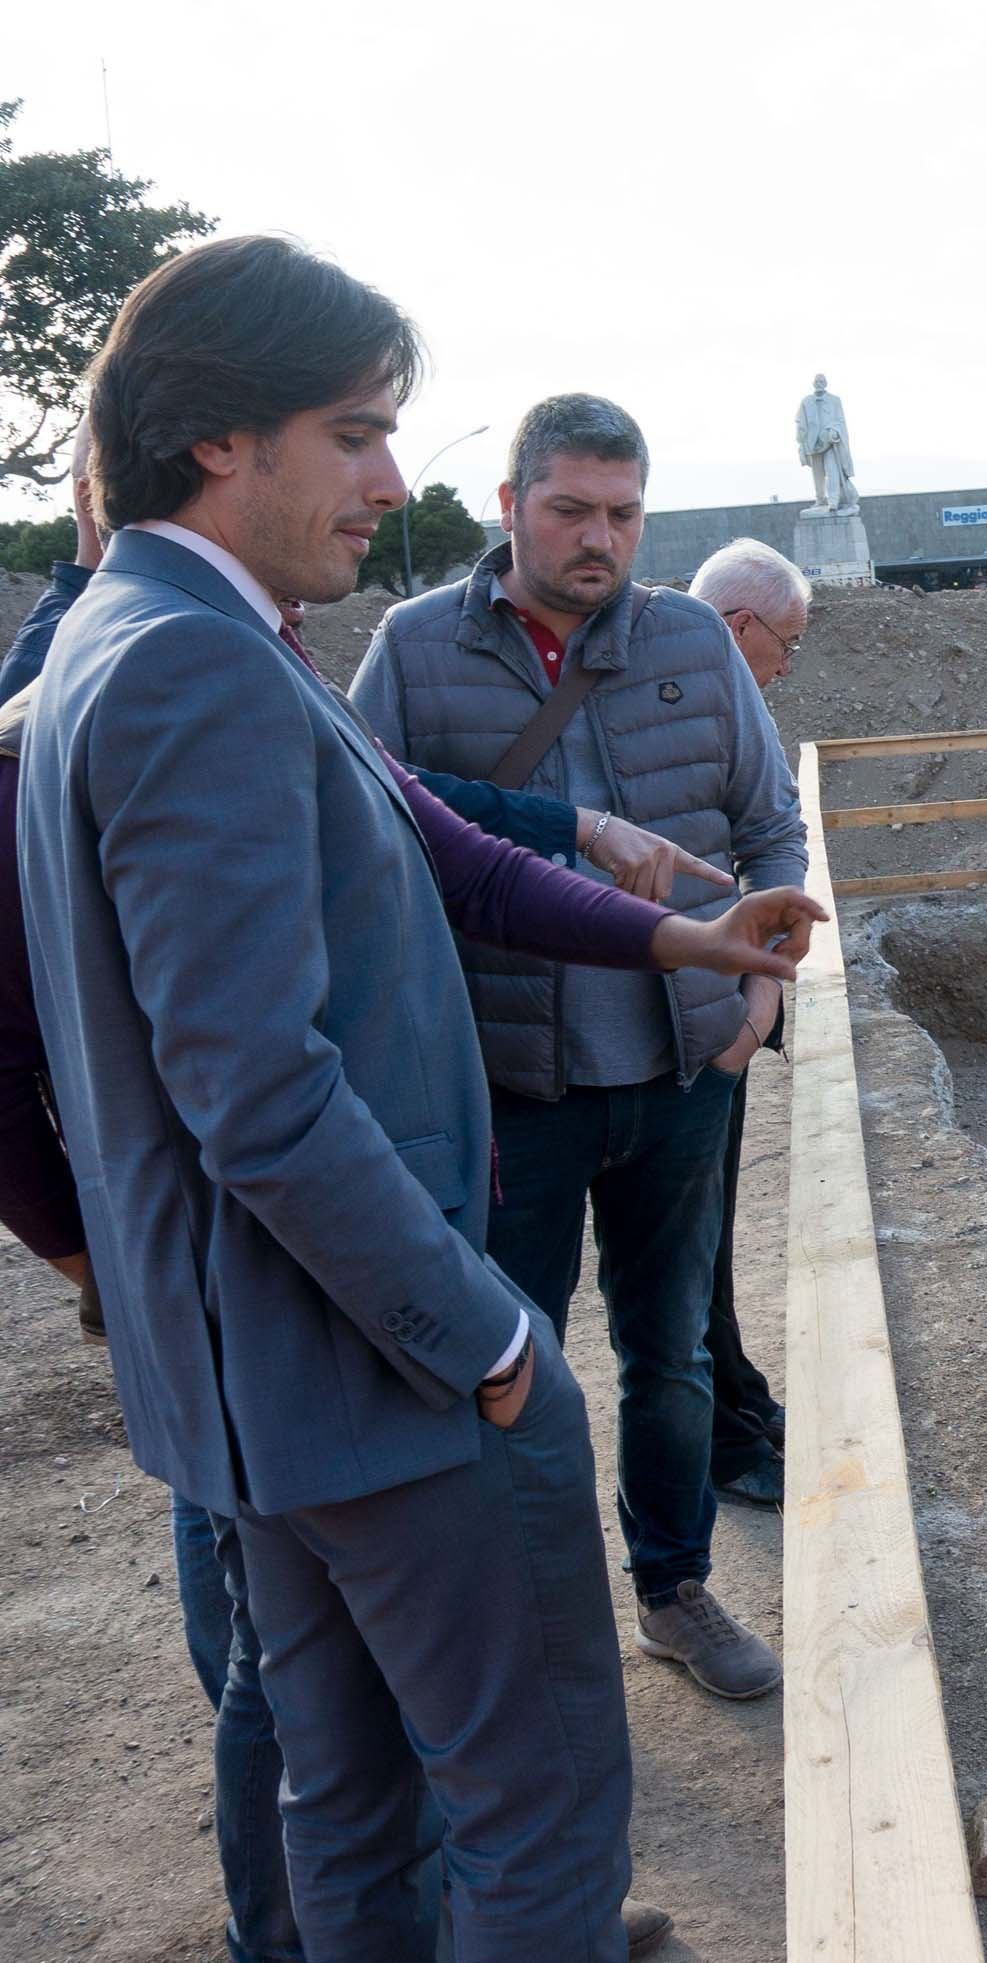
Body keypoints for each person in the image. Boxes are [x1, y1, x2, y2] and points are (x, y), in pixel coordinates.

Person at [19, 235, 823, 1961]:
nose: (394, 482)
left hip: (269, 1385)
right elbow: (252, 1089)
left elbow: (450, 848)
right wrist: (491, 1341)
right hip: (370, 1371)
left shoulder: (139, 633)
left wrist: (681, 935)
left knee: (353, 1800)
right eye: (359, 432)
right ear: (221, 436)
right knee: (534, 1818)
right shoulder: (193, 667)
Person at [354, 395, 807, 1704]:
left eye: (623, 512)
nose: (599, 536)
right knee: (512, 1356)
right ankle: (521, 1617)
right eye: (571, 509)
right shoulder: (413, 646)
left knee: (674, 1352)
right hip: (508, 1090)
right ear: (511, 507)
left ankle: (674, 1587)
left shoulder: (687, 640)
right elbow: (366, 820)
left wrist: (763, 997)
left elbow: (772, 829)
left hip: (680, 1076)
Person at [683, 536, 809, 1508]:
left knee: (707, 1239)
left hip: (709, 1012)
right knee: (685, 1246)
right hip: (676, 1023)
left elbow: (771, 833)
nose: (787, 664)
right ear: (739, 627)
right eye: (787, 644)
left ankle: (735, 1393)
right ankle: (721, 1434)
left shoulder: (706, 700)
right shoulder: (698, 703)